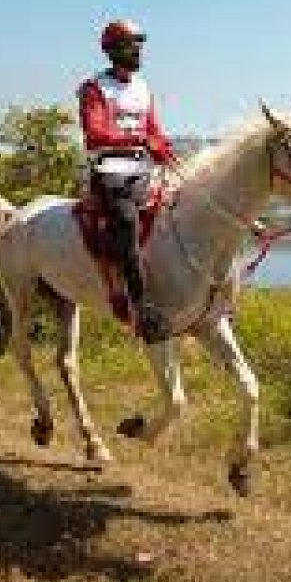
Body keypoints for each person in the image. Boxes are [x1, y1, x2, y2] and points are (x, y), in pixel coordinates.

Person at [77, 19, 175, 344]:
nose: (138, 50)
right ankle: (141, 310)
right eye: (132, 44)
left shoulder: (143, 87)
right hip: (109, 171)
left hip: (144, 168)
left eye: (139, 44)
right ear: (114, 50)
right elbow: (95, 133)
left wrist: (163, 146)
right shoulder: (94, 88)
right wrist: (138, 138)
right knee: (127, 223)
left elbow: (154, 129)